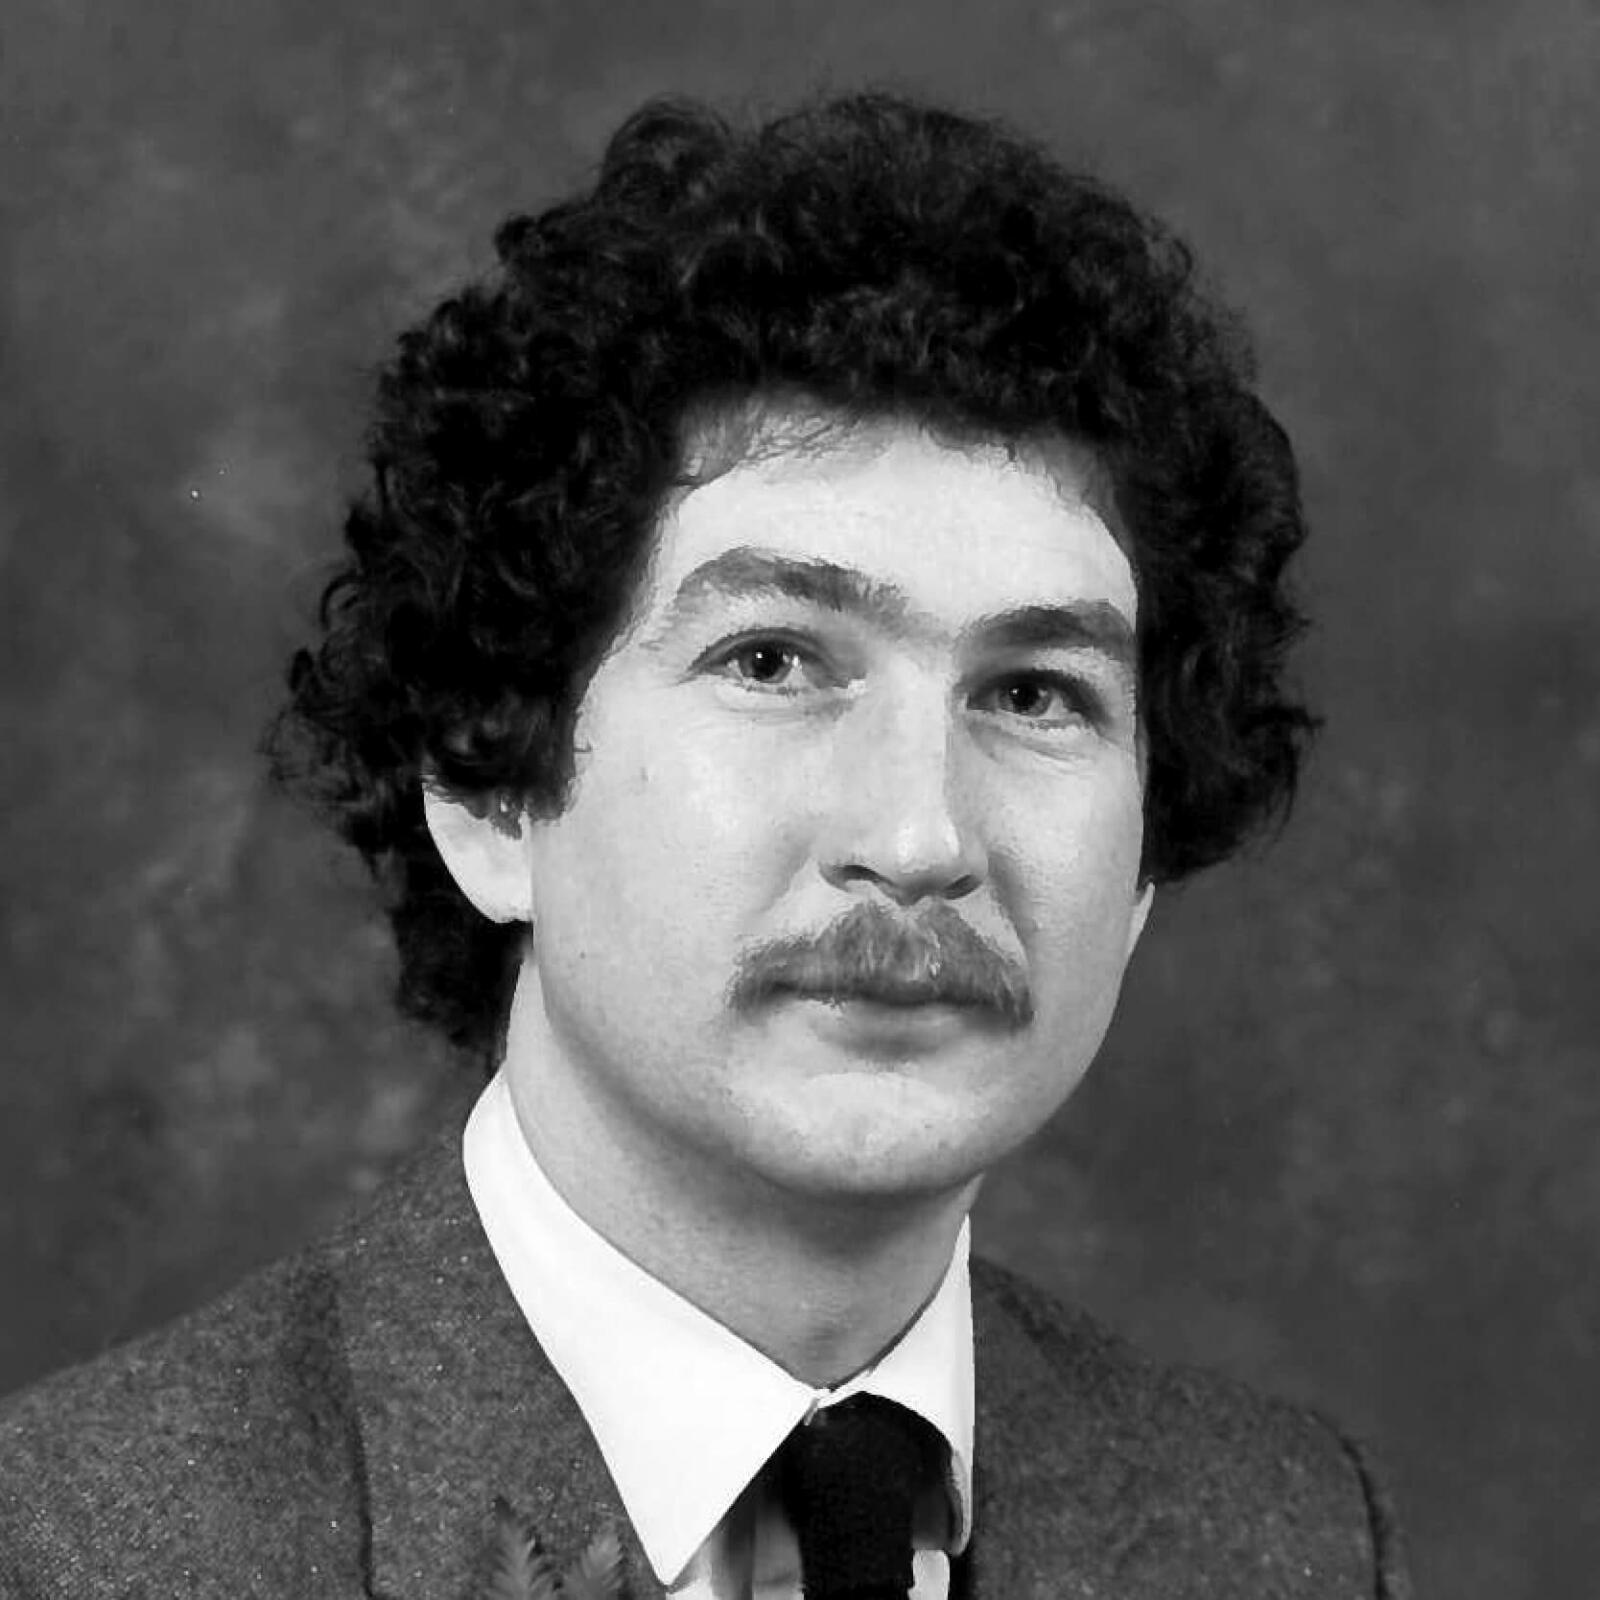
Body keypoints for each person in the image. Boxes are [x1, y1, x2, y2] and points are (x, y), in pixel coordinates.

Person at [0, 92, 1410, 1598]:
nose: (920, 836)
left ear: (1140, 870)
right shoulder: (68, 1552)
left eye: (1032, 694)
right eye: (773, 663)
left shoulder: (1288, 1538)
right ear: (488, 789)